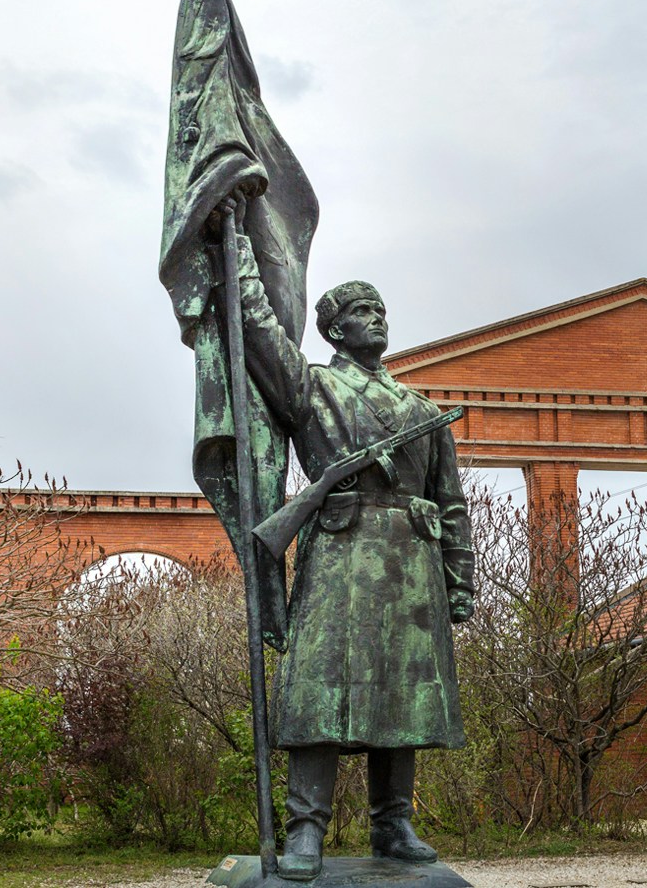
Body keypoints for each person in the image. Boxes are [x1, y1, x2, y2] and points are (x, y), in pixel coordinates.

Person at [227, 225, 473, 881]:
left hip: (412, 565)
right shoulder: (312, 387)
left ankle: (393, 823)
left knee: (404, 698)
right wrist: (240, 250)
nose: (377, 319)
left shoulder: (421, 407)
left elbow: (449, 502)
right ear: (334, 330)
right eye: (363, 311)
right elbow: (257, 329)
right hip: (341, 553)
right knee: (321, 692)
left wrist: (460, 581)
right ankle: (306, 829)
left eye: (381, 310)